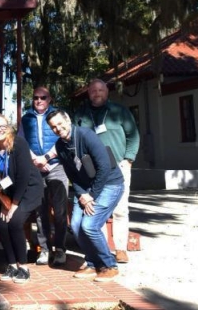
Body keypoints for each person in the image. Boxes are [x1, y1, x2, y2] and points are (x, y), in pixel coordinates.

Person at [46, 109, 125, 282]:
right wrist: (83, 194)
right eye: (53, 127)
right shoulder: (60, 146)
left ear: (68, 120)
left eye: (60, 123)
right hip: (85, 189)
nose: (58, 129)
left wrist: (91, 196)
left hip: (110, 184)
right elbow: (72, 175)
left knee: (89, 225)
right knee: (75, 226)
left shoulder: (85, 135)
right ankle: (92, 263)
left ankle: (109, 265)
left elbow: (104, 167)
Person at [74, 79, 140, 264]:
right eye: (93, 90)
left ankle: (120, 248)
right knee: (97, 210)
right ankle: (101, 248)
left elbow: (133, 135)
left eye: (101, 90)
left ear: (107, 92)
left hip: (118, 165)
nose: (97, 93)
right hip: (91, 169)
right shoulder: (81, 115)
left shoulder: (120, 112)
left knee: (120, 209)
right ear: (89, 93)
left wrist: (129, 158)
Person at [0, 114, 43, 284]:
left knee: (15, 222)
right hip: (6, 192)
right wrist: (4, 202)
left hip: (29, 188)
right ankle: (11, 265)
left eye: (2, 126)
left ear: (8, 127)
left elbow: (23, 176)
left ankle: (23, 267)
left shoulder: (19, 144)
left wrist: (14, 204)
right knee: (1, 223)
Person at [18, 86, 68, 266]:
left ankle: (60, 249)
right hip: (36, 169)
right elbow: (22, 142)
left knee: (60, 211)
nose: (39, 100)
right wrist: (36, 160)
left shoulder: (58, 115)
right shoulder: (26, 118)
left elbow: (64, 137)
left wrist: (46, 158)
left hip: (56, 166)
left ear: (50, 99)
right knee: (40, 212)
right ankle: (45, 250)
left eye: (43, 97)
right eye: (36, 98)